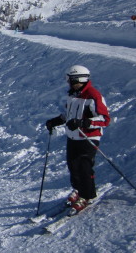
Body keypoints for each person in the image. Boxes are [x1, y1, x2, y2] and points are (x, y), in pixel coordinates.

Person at [45, 65, 111, 212]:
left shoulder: (93, 96)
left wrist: (84, 122)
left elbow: (105, 119)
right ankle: (79, 189)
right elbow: (67, 115)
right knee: (73, 166)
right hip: (73, 137)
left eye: (69, 79)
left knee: (84, 168)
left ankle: (87, 195)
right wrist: (55, 121)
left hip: (88, 137)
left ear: (77, 79)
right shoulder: (73, 95)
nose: (68, 82)